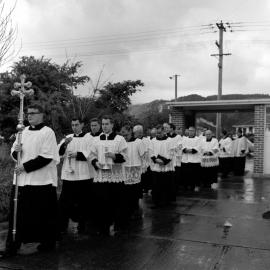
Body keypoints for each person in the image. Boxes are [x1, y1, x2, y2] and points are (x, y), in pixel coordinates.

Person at [1, 104, 59, 257]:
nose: (30, 116)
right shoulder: (22, 131)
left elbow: (46, 157)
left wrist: (25, 167)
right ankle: (12, 246)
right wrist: (16, 151)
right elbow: (13, 152)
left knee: (42, 215)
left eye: (33, 113)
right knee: (17, 215)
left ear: (41, 115)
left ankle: (47, 243)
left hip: (41, 181)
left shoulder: (48, 132)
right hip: (21, 181)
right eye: (28, 114)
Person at [90, 116, 127, 235]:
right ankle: (102, 226)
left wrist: (114, 156)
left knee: (116, 202)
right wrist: (95, 162)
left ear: (112, 125)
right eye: (103, 124)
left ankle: (118, 226)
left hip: (115, 175)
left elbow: (125, 156)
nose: (104, 126)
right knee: (101, 202)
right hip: (101, 176)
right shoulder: (96, 139)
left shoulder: (119, 139)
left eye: (107, 124)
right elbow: (91, 155)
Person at [58, 117, 94, 235]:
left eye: (77, 125)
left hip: (84, 175)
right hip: (69, 175)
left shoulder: (89, 138)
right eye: (72, 125)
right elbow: (58, 153)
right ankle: (62, 227)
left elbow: (92, 153)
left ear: (82, 124)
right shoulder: (68, 138)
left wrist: (78, 154)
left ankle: (83, 225)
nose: (74, 127)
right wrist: (64, 145)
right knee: (64, 202)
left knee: (84, 202)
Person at [121, 124, 146, 222]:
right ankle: (127, 212)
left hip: (135, 171)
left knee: (134, 194)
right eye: (123, 135)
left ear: (131, 132)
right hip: (123, 171)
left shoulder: (138, 142)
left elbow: (144, 156)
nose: (124, 137)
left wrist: (143, 168)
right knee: (125, 194)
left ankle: (135, 213)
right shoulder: (120, 142)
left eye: (126, 135)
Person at [149, 125, 176, 207]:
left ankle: (166, 201)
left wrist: (164, 161)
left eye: (160, 133)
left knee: (166, 185)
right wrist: (156, 160)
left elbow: (171, 153)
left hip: (166, 166)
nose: (158, 135)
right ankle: (156, 201)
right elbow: (150, 151)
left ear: (164, 132)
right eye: (157, 133)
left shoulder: (170, 141)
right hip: (156, 166)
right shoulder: (153, 141)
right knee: (156, 185)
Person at [181, 126, 202, 191]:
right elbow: (182, 146)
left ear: (195, 132)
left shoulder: (198, 139)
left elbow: (198, 147)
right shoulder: (184, 139)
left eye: (192, 131)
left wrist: (190, 150)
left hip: (195, 160)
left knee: (195, 174)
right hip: (186, 159)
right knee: (186, 174)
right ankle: (186, 186)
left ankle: (195, 186)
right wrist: (185, 150)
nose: (191, 132)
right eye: (189, 131)